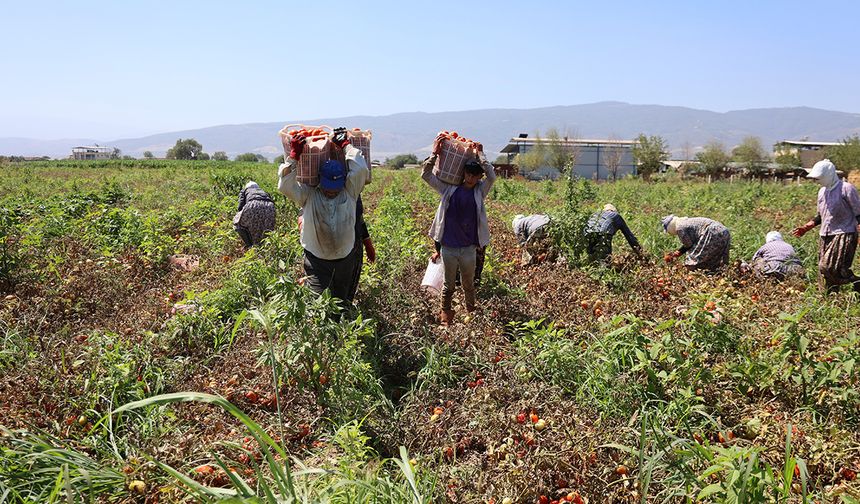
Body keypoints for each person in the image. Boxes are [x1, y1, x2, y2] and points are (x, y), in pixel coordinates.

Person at [278, 127, 369, 302]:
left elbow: (360, 169)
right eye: (328, 186)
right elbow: (285, 186)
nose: (331, 191)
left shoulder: (350, 191)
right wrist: (294, 156)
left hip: (345, 259)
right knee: (320, 304)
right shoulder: (309, 195)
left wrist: (345, 145)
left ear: (343, 180)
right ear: (320, 179)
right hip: (317, 261)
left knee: (341, 301)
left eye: (335, 187)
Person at [422, 136, 496, 325]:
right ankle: (446, 315)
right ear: (463, 173)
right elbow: (426, 175)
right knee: (448, 286)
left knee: (468, 284)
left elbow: (492, 176)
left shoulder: (480, 191)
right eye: (468, 174)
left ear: (479, 177)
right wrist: (434, 153)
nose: (470, 178)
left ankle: (471, 313)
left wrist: (480, 154)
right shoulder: (449, 190)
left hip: (469, 248)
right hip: (449, 247)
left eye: (475, 175)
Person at [791, 159, 860, 293]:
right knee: (830, 271)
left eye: (819, 178)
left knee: (828, 267)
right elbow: (820, 216)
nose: (817, 181)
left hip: (844, 232)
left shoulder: (846, 188)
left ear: (829, 174)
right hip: (826, 234)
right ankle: (832, 296)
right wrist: (806, 227)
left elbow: (859, 212)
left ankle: (857, 282)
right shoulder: (822, 192)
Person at [662, 215, 731, 271]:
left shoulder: (679, 227)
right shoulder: (686, 222)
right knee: (717, 258)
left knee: (693, 260)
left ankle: (692, 276)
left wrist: (675, 254)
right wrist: (677, 253)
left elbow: (688, 245)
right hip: (724, 231)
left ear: (670, 227)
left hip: (711, 231)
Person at [233, 181, 275, 248]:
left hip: (253, 204)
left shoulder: (245, 190)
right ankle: (264, 247)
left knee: (237, 224)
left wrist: (241, 215)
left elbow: (240, 206)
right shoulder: (263, 191)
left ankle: (250, 245)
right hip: (270, 206)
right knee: (266, 228)